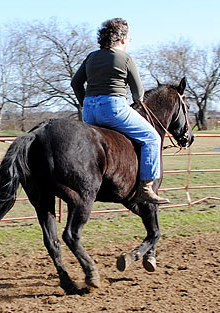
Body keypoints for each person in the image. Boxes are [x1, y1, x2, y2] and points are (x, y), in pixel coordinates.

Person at [71, 18, 169, 205]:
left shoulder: (91, 57)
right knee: (152, 138)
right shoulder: (125, 59)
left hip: (89, 112)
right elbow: (139, 94)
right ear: (123, 39)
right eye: (129, 39)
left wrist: (86, 102)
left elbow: (75, 83)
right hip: (113, 109)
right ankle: (146, 188)